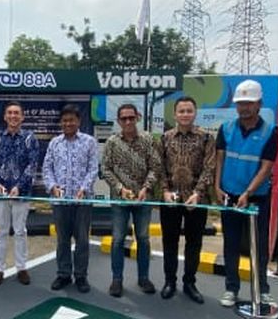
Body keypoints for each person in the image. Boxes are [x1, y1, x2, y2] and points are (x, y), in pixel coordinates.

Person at [214, 79, 278, 307]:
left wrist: (248, 193)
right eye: (241, 103)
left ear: (259, 103)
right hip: (229, 195)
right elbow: (219, 160)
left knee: (258, 246)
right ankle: (231, 288)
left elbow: (266, 167)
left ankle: (262, 289)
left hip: (256, 198)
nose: (244, 107)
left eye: (249, 103)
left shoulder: (270, 131)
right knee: (230, 244)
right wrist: (216, 186)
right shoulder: (226, 128)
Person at [158, 96, 216, 304]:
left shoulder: (206, 138)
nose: (185, 114)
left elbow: (209, 167)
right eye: (181, 111)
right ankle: (169, 281)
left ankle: (189, 282)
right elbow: (159, 167)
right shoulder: (165, 138)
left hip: (196, 199)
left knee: (194, 242)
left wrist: (198, 192)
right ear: (175, 114)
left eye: (189, 111)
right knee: (169, 241)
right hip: (171, 200)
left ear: (195, 113)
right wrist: (165, 191)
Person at [102, 104, 160, 298]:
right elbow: (106, 169)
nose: (128, 121)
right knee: (118, 239)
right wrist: (120, 188)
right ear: (118, 121)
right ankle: (117, 279)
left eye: (131, 118)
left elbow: (155, 167)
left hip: (143, 199)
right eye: (124, 118)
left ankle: (143, 278)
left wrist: (146, 188)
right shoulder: (112, 142)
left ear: (138, 118)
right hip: (120, 201)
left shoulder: (148, 140)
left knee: (143, 238)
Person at [42, 104, 99, 293]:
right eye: (65, 120)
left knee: (82, 240)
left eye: (71, 120)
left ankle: (81, 276)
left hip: (82, 201)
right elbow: (47, 168)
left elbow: (93, 168)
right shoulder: (54, 143)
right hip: (60, 202)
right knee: (62, 240)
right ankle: (64, 274)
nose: (68, 123)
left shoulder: (89, 142)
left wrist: (84, 188)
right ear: (61, 122)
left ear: (78, 121)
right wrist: (52, 186)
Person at [0, 101, 40, 287]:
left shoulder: (30, 138)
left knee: (20, 231)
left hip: (21, 193)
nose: (13, 116)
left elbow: (32, 165)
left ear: (22, 117)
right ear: (5, 116)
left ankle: (21, 268)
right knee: (1, 231)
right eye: (10, 112)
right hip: (0, 193)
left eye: (16, 113)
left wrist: (19, 186)